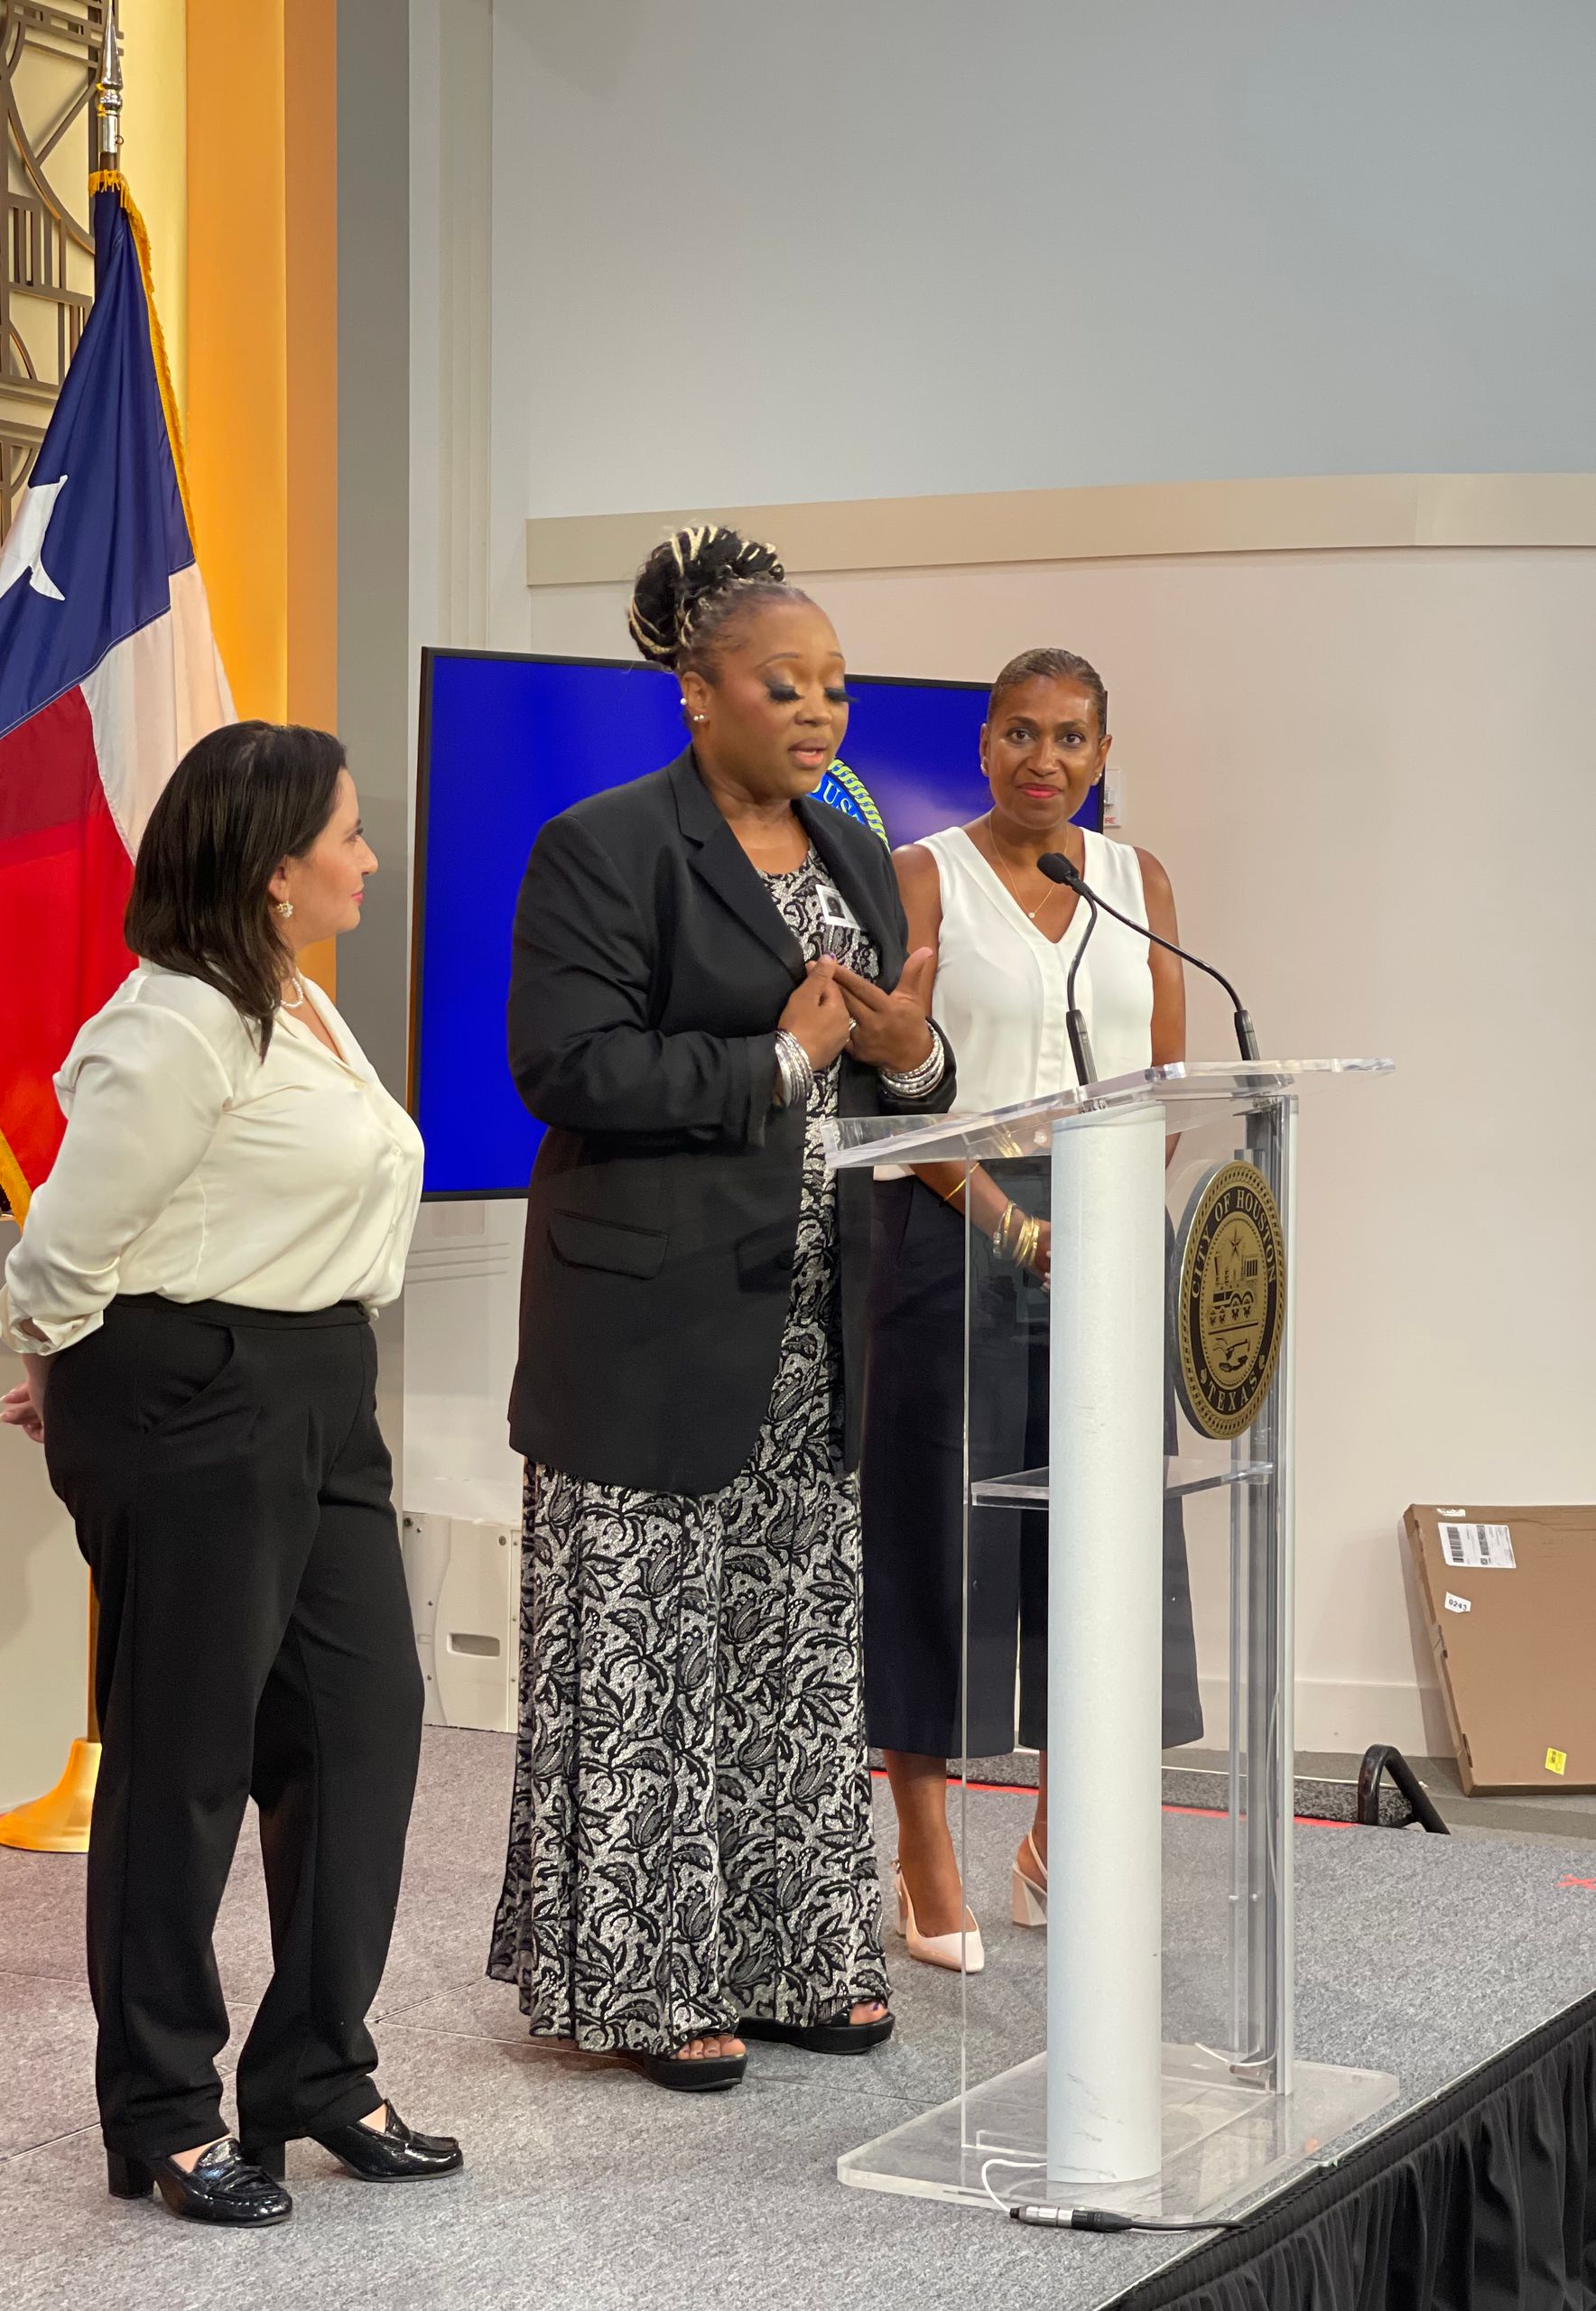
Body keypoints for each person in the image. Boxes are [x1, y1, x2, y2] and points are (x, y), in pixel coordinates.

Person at [487, 525, 955, 2091]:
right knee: (650, 1662)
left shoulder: (845, 858)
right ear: (700, 695)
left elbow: (890, 1074)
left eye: (834, 685)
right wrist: (775, 1063)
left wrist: (910, 1053)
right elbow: (564, 1067)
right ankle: (640, 1983)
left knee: (785, 1654)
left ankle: (791, 1954)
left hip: (814, 1327)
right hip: (652, 1326)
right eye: (785, 683)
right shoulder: (604, 847)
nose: (819, 711)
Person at [0, 722, 461, 2226]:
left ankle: (317, 2071)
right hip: (199, 1393)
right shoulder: (175, 1025)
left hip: (320, 1385)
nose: (367, 858)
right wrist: (72, 1363)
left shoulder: (298, 1008)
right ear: (272, 875)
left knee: (363, 1722)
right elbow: (67, 1242)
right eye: (345, 835)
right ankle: (163, 2110)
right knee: (185, 1763)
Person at [859, 648, 1202, 1972]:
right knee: (945, 1545)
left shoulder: (1136, 883)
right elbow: (901, 1087)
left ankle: (1063, 1842)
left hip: (1106, 1234)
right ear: (983, 744)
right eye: (1018, 735)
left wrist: (1102, 1222)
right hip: (957, 1233)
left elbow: (1164, 1078)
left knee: (1097, 1542)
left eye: (1070, 739)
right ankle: (926, 1856)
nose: (1044, 761)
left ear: (1104, 753)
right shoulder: (922, 876)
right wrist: (1014, 1223)